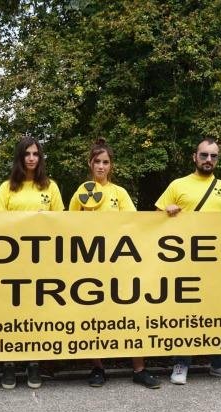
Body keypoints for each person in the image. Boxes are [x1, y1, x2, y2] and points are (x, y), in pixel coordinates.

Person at [69, 138, 161, 389]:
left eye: (105, 162)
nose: (101, 166)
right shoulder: (81, 191)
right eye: (97, 161)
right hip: (90, 266)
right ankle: (98, 368)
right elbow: (69, 226)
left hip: (119, 264)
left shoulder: (119, 193)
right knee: (93, 316)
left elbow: (132, 223)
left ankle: (139, 369)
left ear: (111, 166)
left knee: (131, 314)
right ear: (90, 163)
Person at [154, 137, 221, 384]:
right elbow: (154, 219)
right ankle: (181, 363)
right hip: (183, 260)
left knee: (216, 310)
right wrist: (166, 211)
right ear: (194, 157)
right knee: (186, 311)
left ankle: (220, 363)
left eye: (213, 156)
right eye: (204, 155)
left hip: (216, 261)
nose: (208, 159)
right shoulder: (178, 185)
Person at [0, 136, 63, 388]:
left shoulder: (50, 187)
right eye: (27, 154)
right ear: (19, 158)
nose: (31, 158)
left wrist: (46, 220)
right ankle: (9, 363)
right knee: (10, 312)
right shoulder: (7, 188)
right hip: (11, 261)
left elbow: (62, 223)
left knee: (36, 312)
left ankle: (33, 363)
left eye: (35, 154)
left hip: (41, 261)